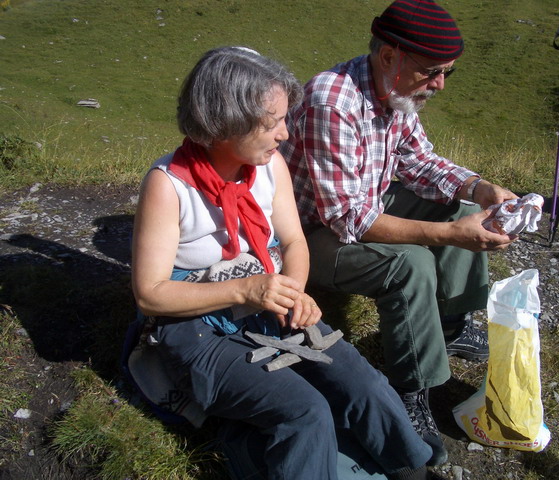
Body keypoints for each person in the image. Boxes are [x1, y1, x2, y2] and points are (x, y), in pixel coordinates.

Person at [131, 46, 435, 480]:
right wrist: (246, 289)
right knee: (304, 411)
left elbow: (293, 240)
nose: (285, 134)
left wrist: (296, 292)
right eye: (272, 122)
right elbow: (150, 295)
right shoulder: (168, 186)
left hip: (268, 304)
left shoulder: (270, 166)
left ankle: (412, 468)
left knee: (363, 383)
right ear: (225, 122)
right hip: (196, 327)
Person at [280, 0, 518, 463]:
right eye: (432, 71)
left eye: (447, 71)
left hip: (363, 203)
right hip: (311, 233)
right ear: (390, 56)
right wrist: (447, 236)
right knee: (409, 262)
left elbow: (419, 160)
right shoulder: (333, 101)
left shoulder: (396, 91)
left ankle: (450, 324)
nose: (440, 84)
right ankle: (413, 391)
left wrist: (480, 187)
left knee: (460, 207)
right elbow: (349, 218)